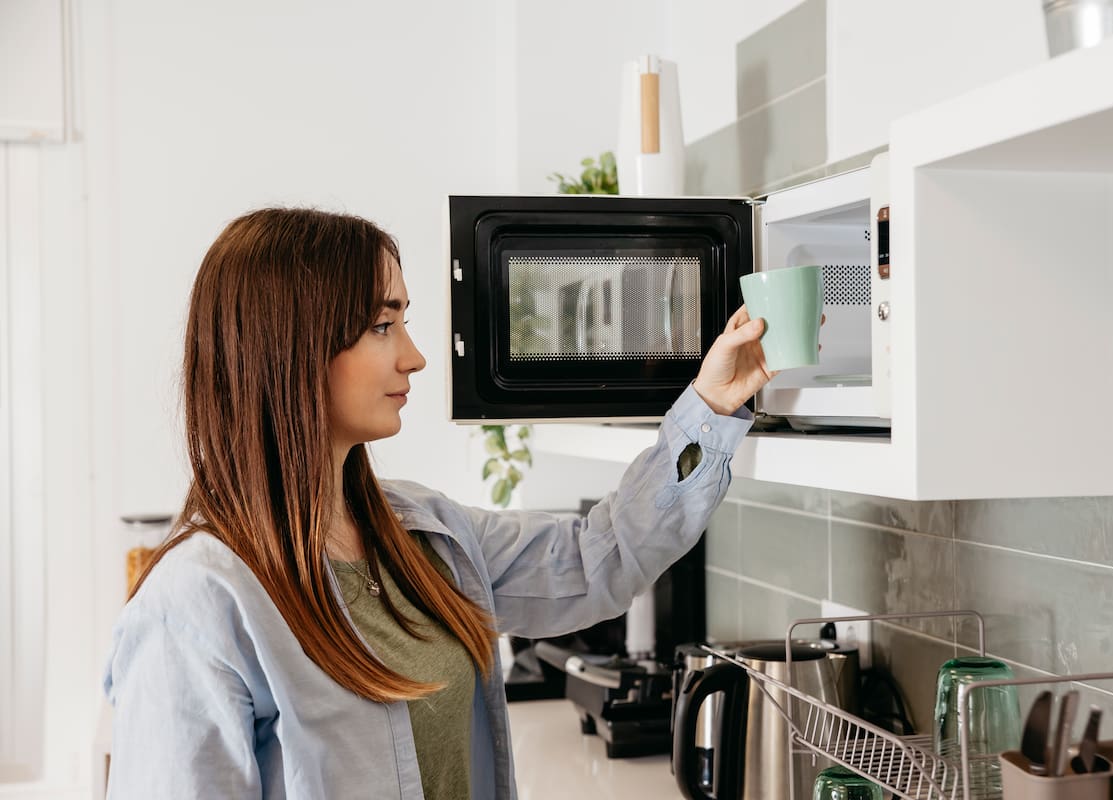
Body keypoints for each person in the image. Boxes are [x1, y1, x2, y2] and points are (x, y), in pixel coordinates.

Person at [102, 207, 775, 799]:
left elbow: (598, 559)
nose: (417, 357)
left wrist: (710, 407)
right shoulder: (195, 608)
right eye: (382, 325)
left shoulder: (423, 533)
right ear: (294, 347)